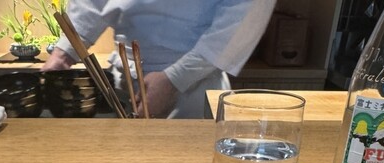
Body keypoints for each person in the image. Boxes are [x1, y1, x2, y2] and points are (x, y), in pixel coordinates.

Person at [42, 0, 276, 118]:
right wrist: (65, 52)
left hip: (195, 83)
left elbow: (245, 15)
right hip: (123, 80)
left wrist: (175, 79)